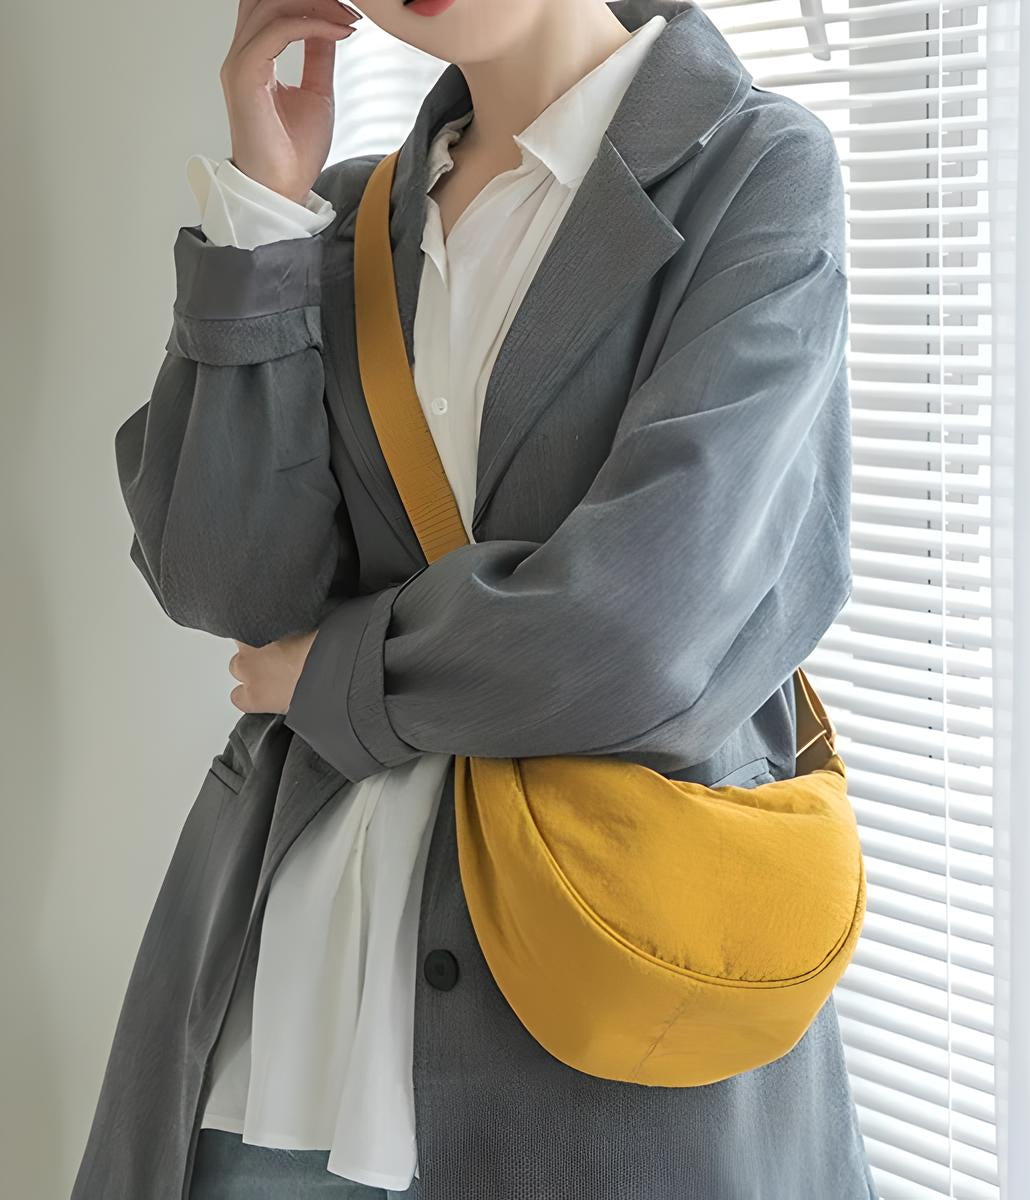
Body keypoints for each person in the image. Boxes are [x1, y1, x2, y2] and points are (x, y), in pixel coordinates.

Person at [71, 1, 877, 1198]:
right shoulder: (339, 220)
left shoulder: (754, 173)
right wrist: (263, 198)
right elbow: (226, 576)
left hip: (590, 1040)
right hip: (278, 1031)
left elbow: (643, 628)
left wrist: (335, 675)